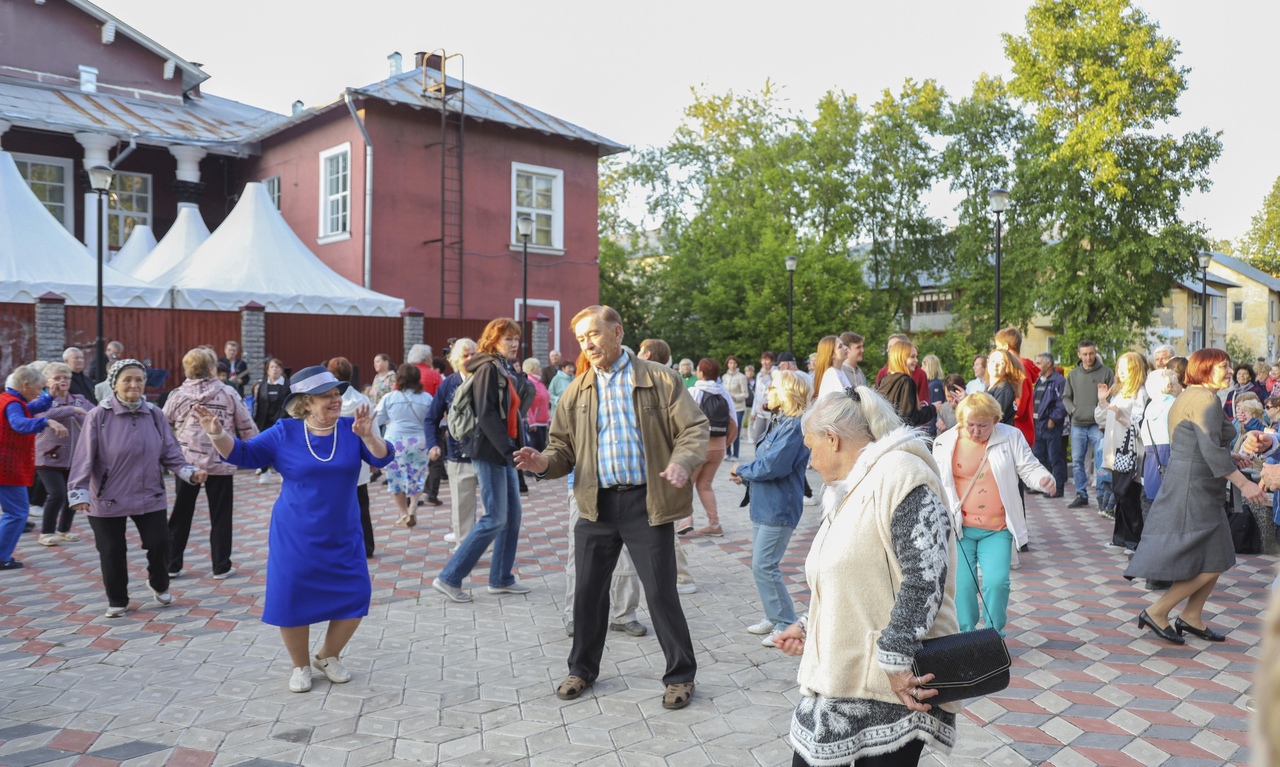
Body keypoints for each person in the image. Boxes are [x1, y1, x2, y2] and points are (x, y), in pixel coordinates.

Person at [514, 305, 708, 711]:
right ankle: (581, 669)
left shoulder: (660, 378)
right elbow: (561, 449)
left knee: (659, 592)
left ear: (617, 332)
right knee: (587, 592)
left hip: (645, 502)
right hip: (594, 504)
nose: (587, 343)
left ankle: (680, 676)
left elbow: (694, 428)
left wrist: (681, 461)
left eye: (593, 334)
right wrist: (543, 464)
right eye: (581, 338)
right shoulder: (577, 388)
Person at [771, 386, 961, 766]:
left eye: (811, 447)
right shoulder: (852, 488)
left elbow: (926, 577)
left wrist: (894, 661)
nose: (810, 460)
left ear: (833, 439)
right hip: (843, 676)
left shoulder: (903, 475)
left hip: (895, 685)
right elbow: (859, 579)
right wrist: (812, 627)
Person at [195, 365, 391, 690]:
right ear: (305, 403)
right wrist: (217, 433)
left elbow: (382, 460)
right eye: (325, 396)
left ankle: (328, 655)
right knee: (293, 597)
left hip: (343, 532)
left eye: (336, 394)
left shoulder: (351, 428)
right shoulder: (284, 431)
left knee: (356, 594)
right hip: (296, 533)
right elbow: (244, 455)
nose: (335, 400)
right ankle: (300, 666)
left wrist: (369, 434)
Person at [1125, 349, 1265, 644]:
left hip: (1196, 484)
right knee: (1214, 560)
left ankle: (1191, 616)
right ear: (1204, 369)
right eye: (1223, 367)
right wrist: (1246, 485)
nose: (1229, 372)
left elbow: (1205, 443)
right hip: (1194, 488)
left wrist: (1233, 455)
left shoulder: (1191, 396)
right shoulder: (1204, 399)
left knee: (1219, 554)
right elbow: (1211, 453)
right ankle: (1157, 610)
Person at [69, 360, 205, 613]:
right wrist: (79, 491)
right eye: (127, 379)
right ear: (114, 384)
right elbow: (83, 457)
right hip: (107, 496)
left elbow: (171, 453)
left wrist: (191, 472)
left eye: (139, 379)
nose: (134, 384)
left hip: (148, 493)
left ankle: (160, 583)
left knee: (161, 542)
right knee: (112, 550)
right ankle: (118, 600)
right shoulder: (98, 416)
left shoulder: (154, 414)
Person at [934, 392, 1055, 636]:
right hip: (960, 529)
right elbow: (936, 481)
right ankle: (966, 634)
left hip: (997, 528)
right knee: (963, 585)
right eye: (970, 425)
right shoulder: (945, 442)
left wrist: (1043, 479)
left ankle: (992, 634)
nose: (976, 431)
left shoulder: (1011, 437)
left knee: (997, 582)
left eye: (983, 425)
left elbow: (1028, 467)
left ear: (996, 420)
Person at [432, 319, 534, 603]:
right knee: (494, 518)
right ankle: (449, 578)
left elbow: (512, 413)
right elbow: (487, 413)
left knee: (512, 517)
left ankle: (501, 578)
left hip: (504, 450)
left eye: (516, 339)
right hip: (491, 451)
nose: (514, 344)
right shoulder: (488, 367)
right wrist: (507, 451)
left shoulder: (501, 367)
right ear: (493, 340)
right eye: (508, 339)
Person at [561, 352, 646, 639]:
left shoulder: (632, 390)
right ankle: (577, 615)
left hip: (628, 490)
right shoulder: (578, 391)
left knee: (627, 557)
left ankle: (624, 613)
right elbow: (561, 442)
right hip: (586, 487)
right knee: (581, 557)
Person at [728, 369, 810, 648]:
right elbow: (766, 461)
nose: (767, 392)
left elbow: (775, 465)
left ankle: (786, 623)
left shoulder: (795, 425)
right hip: (765, 504)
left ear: (787, 393)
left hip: (780, 507)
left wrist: (743, 469)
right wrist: (745, 475)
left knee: (765, 565)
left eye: (773, 387)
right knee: (761, 565)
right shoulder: (780, 421)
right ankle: (773, 616)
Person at [163, 348, 258, 579]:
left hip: (186, 464)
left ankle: (172, 564)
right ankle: (221, 566)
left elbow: (162, 425)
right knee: (221, 514)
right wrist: (256, 452)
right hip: (221, 459)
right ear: (212, 367)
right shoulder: (227, 393)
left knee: (181, 513)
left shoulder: (177, 395)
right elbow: (246, 425)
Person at [1, 365, 69, 569]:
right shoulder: (13, 403)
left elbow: (28, 410)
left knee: (15, 512)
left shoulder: (10, 399)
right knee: (17, 513)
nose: (40, 392)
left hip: (8, 465)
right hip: (7, 467)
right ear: (24, 385)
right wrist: (48, 422)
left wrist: (49, 398)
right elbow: (20, 423)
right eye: (39, 388)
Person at [425, 339, 480, 546]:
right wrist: (433, 444)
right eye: (466, 355)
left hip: (489, 454)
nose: (471, 358)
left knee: (497, 509)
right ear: (456, 360)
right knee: (461, 508)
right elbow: (431, 418)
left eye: (474, 353)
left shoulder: (488, 380)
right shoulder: (449, 383)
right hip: (459, 455)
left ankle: (493, 548)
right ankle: (464, 548)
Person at [677, 358, 737, 537]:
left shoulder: (693, 391)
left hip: (698, 446)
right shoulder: (724, 394)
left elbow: (681, 419)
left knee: (687, 484)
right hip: (718, 447)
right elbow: (733, 423)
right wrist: (724, 444)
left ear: (701, 373)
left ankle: (686, 520)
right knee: (705, 485)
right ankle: (714, 524)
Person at [33, 362, 90, 548]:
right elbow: (44, 413)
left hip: (75, 457)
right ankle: (46, 533)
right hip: (48, 456)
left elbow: (93, 414)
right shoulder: (41, 400)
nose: (62, 381)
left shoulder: (79, 398)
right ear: (47, 381)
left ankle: (64, 530)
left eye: (65, 377)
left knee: (73, 494)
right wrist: (72, 410)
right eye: (57, 378)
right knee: (56, 494)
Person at [374, 363, 432, 530]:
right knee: (417, 475)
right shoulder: (427, 398)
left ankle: (403, 513)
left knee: (395, 477)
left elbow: (376, 420)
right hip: (419, 441)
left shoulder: (390, 398)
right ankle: (413, 507)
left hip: (394, 441)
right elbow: (432, 421)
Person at [1096, 352, 1149, 529]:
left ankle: (1132, 540)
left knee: (1129, 496)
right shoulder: (1119, 390)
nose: (1122, 372)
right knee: (1120, 496)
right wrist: (1102, 401)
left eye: (1127, 368)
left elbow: (1141, 426)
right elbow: (1102, 419)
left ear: (1136, 369)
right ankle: (1120, 538)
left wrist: (1122, 418)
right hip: (1115, 451)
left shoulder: (1140, 392)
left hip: (1130, 452)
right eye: (1120, 367)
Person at [1063, 339, 1114, 510]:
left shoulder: (1106, 372)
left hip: (1098, 424)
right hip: (1078, 423)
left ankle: (1101, 495)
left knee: (1101, 460)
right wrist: (1072, 410)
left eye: (1091, 353)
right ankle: (1081, 494)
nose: (1088, 357)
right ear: (1079, 355)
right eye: (1084, 354)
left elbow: (1112, 395)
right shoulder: (1073, 375)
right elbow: (1066, 397)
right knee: (1077, 460)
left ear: (1095, 352)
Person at [993, 328, 1040, 449]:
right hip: (1016, 433)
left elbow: (1018, 407)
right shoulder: (1019, 367)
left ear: (1006, 346)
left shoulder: (1018, 368)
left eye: (998, 347)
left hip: (1017, 434)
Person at [876, 340, 936, 428]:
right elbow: (909, 419)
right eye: (912, 357)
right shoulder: (906, 381)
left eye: (916, 356)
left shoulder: (884, 380)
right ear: (901, 358)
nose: (916, 360)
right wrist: (932, 409)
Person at [1031, 353, 1067, 497]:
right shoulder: (1040, 380)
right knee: (1039, 457)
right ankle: (1043, 486)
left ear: (1048, 364)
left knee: (1055, 457)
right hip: (1038, 424)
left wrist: (1053, 419)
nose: (1036, 366)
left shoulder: (1058, 381)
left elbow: (1062, 402)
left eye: (1039, 363)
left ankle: (1057, 488)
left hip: (1050, 425)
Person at [985, 349, 1024, 427]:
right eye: (993, 361)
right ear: (987, 363)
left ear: (1008, 366)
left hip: (999, 435)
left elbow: (993, 417)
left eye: (1001, 362)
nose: (996, 365)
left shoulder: (1003, 388)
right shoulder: (990, 387)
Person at [722, 355, 750, 459]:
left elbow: (745, 394)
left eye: (734, 363)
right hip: (727, 408)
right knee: (727, 430)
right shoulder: (724, 377)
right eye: (730, 363)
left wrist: (735, 397)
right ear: (727, 364)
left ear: (737, 364)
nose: (732, 365)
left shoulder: (741, 377)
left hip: (738, 408)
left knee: (736, 431)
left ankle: (736, 454)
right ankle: (727, 452)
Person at [522, 358, 551, 454]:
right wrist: (531, 421)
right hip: (534, 422)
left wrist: (548, 418)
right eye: (538, 367)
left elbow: (545, 401)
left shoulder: (539, 383)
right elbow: (527, 404)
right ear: (531, 369)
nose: (540, 369)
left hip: (542, 421)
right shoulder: (528, 383)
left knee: (542, 447)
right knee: (535, 449)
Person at [750, 351, 777, 444]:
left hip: (771, 411)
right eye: (763, 360)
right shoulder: (759, 374)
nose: (765, 362)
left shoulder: (776, 373)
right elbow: (756, 395)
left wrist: (766, 376)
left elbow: (771, 387)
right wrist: (753, 412)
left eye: (767, 360)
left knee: (769, 439)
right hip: (760, 411)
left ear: (772, 361)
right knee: (757, 438)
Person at [813, 335, 851, 400]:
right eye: (840, 346)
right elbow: (842, 400)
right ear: (832, 355)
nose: (845, 348)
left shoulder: (839, 371)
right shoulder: (831, 373)